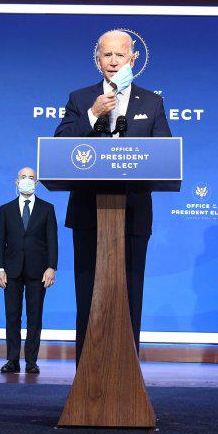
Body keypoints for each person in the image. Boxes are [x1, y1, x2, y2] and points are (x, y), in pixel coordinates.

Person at [54, 29, 172, 359]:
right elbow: (61, 147)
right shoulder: (80, 98)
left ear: (133, 58)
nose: (113, 61)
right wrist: (93, 115)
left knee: (130, 296)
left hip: (133, 214)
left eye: (120, 55)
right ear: (97, 60)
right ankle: (85, 386)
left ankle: (128, 379)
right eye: (107, 55)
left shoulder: (152, 101)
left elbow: (164, 154)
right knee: (88, 298)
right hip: (87, 214)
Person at [0, 167, 58, 374]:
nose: (27, 181)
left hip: (38, 271)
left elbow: (52, 241)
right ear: (16, 182)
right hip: (11, 271)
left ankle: (31, 361)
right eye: (24, 177)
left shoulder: (47, 208)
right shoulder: (6, 209)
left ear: (37, 183)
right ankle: (12, 360)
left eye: (31, 178)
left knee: (34, 316)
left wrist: (51, 267)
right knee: (12, 316)